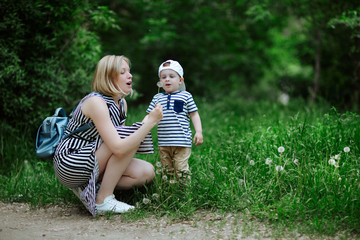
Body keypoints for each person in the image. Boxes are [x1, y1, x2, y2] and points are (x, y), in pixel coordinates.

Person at [53, 55, 163, 216]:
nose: (130, 75)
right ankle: (103, 199)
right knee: (128, 136)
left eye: (129, 71)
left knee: (146, 172)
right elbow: (119, 148)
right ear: (108, 77)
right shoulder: (96, 102)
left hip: (94, 158)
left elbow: (121, 149)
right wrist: (148, 124)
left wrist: (145, 124)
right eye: (123, 72)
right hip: (70, 162)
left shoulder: (121, 104)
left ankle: (92, 189)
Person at [146, 60, 203, 180]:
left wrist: (199, 131)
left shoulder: (185, 96)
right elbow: (149, 115)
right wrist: (141, 127)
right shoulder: (157, 97)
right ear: (160, 81)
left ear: (180, 80)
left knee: (181, 169)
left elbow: (194, 114)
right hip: (164, 141)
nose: (167, 79)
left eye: (172, 76)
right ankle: (169, 190)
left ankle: (183, 192)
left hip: (182, 141)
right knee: (166, 170)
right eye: (163, 77)